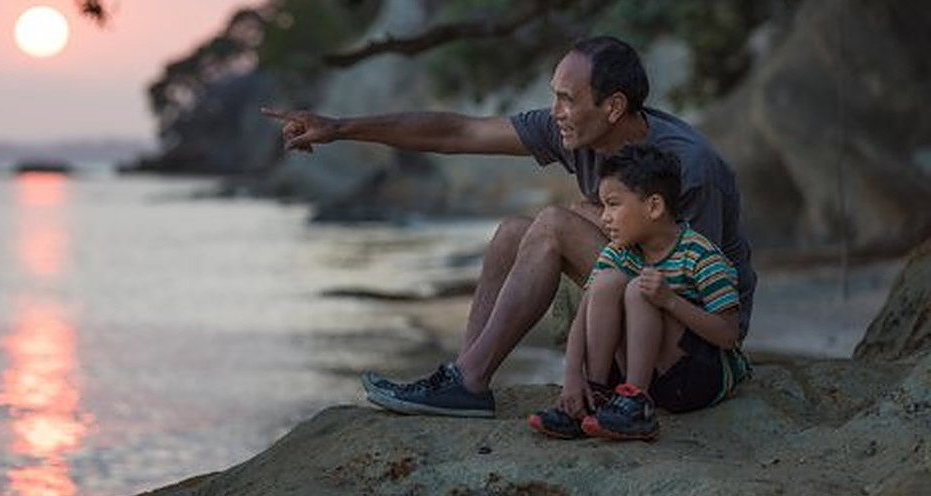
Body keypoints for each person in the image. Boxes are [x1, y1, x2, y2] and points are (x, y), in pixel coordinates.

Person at [260, 35, 757, 418]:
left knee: (555, 224)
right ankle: (464, 379)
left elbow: (701, 293)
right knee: (514, 232)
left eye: (568, 99)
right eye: (554, 97)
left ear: (613, 107)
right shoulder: (575, 131)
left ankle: (469, 381)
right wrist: (342, 128)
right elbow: (460, 132)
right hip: (640, 313)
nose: (556, 112)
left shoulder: (691, 168)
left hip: (689, 360)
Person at [529, 143, 746, 441]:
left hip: (694, 380)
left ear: (654, 206)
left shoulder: (701, 256)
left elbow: (729, 335)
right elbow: (583, 316)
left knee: (638, 290)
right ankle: (596, 396)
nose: (604, 217)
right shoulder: (620, 252)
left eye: (613, 204)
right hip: (647, 371)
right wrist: (571, 380)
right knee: (606, 283)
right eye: (603, 206)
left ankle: (636, 404)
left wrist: (670, 301)